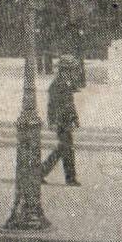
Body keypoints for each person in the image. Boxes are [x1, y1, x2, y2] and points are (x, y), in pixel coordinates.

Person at [41, 59, 81, 187]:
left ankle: (41, 173)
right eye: (71, 70)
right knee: (65, 149)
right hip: (60, 122)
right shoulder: (56, 85)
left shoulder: (66, 84)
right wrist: (52, 121)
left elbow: (70, 104)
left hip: (66, 121)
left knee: (64, 149)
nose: (73, 73)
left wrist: (75, 118)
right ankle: (70, 178)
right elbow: (51, 106)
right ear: (65, 70)